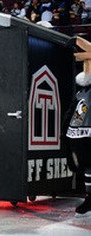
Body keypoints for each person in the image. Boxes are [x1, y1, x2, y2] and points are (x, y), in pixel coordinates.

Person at [64, 36, 91, 214]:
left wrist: (78, 41)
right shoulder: (82, 90)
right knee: (85, 164)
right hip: (79, 129)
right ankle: (89, 196)